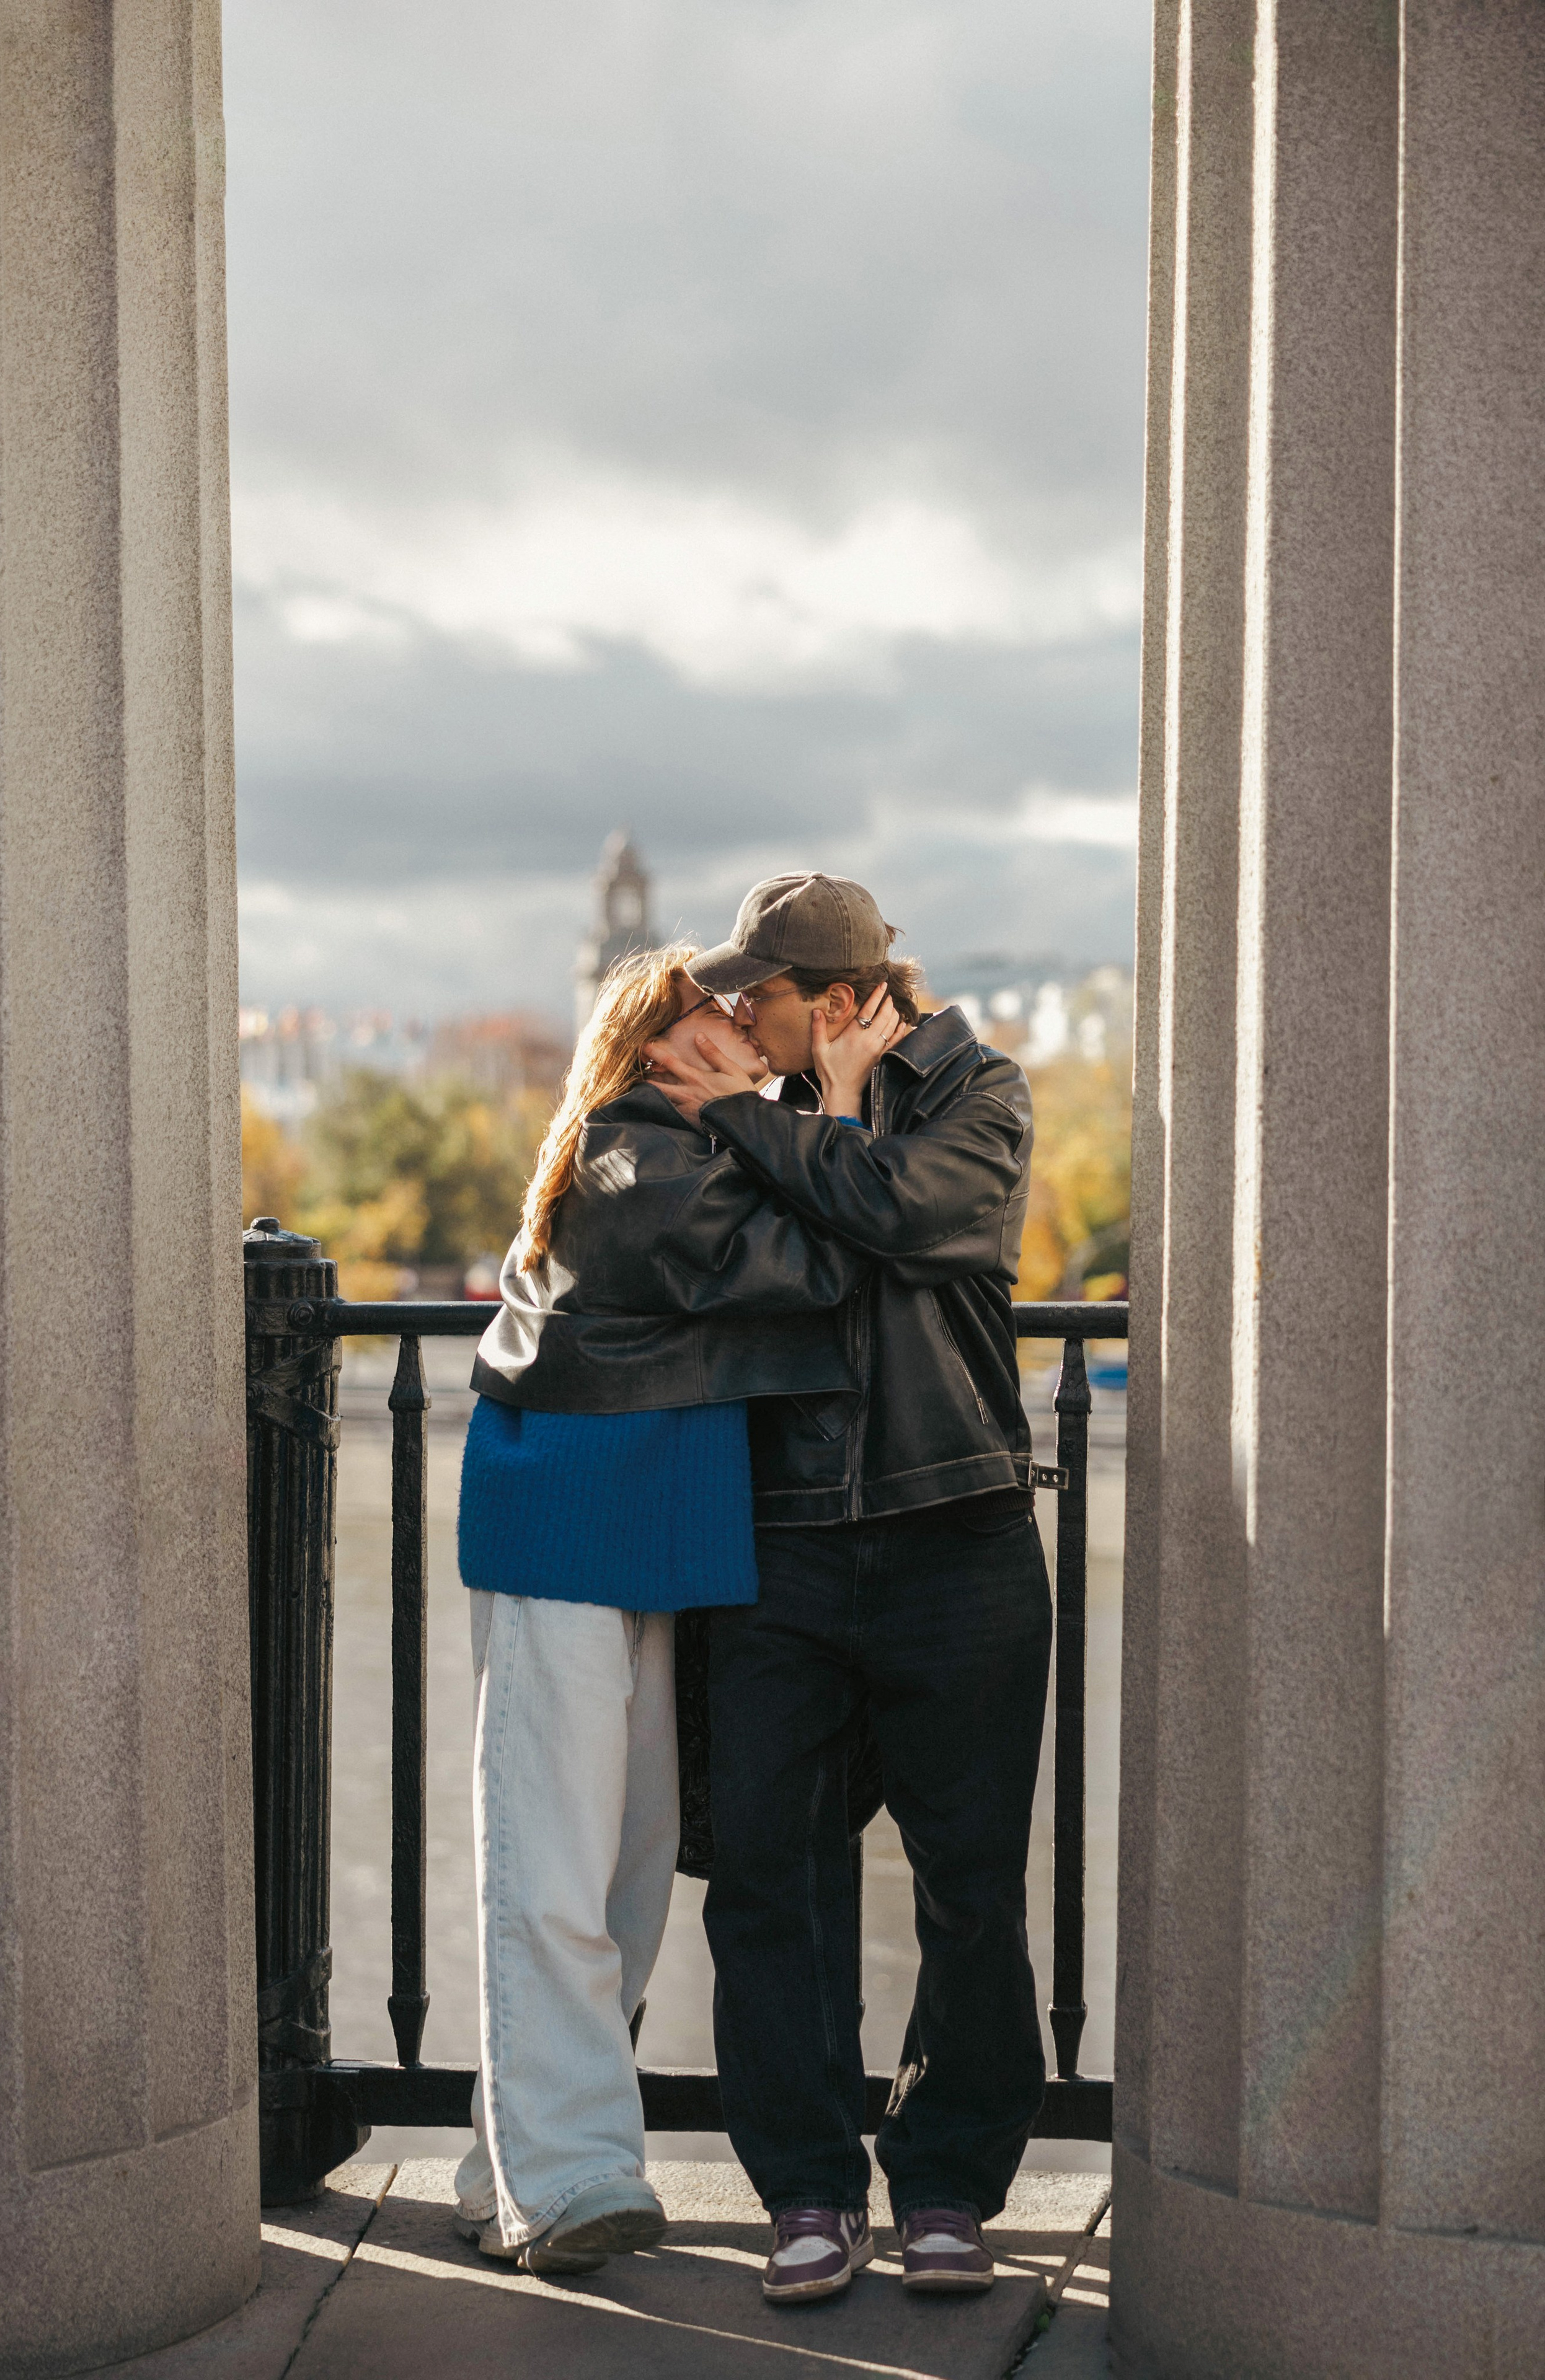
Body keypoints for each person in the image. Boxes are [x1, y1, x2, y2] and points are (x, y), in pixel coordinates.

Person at [449, 942, 889, 2277]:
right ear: (657, 1041)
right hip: (570, 1523)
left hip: (658, 1535)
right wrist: (837, 1111)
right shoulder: (628, 1154)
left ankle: (498, 2168)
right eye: (717, 1007)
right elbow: (818, 1269)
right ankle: (568, 2180)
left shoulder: (700, 1143)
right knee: (556, 1867)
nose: (748, 1020)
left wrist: (789, 1117)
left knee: (626, 1875)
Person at [645, 873, 1051, 2306]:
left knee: (968, 1888)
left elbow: (909, 1211)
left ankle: (944, 2188)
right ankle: (807, 2193)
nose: (726, 1010)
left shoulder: (976, 1091)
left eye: (749, 990)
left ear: (826, 1001)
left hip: (959, 1537)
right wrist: (800, 1116)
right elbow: (723, 1263)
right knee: (770, 1884)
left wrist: (773, 1123)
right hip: (781, 1546)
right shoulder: (735, 1104)